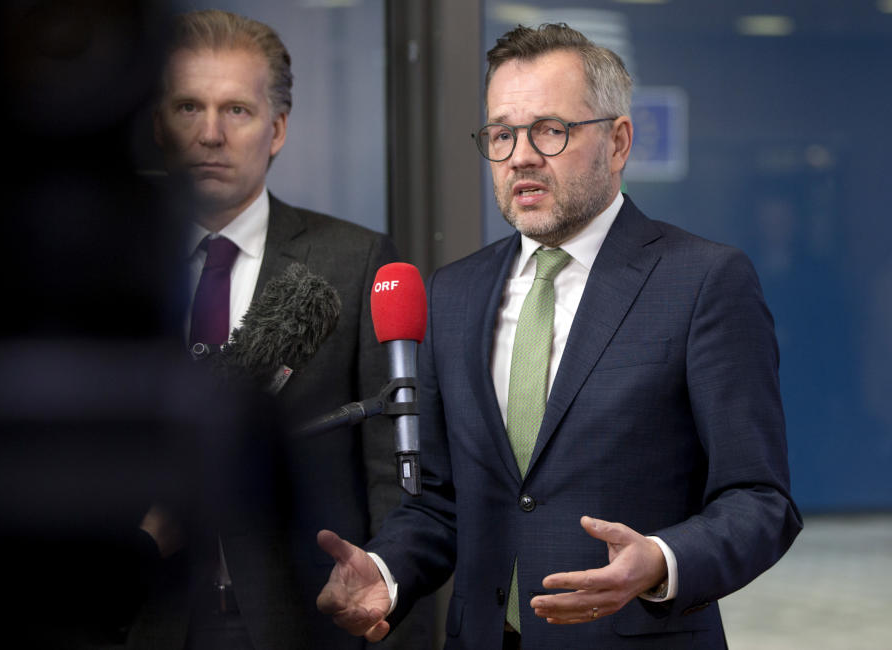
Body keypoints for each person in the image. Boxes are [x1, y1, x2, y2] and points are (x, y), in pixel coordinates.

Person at [316, 23, 803, 649]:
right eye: (501, 133)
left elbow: (760, 499)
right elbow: (440, 502)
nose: (520, 155)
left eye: (550, 129)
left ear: (619, 141)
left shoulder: (704, 280)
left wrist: (659, 559)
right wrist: (387, 571)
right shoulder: (452, 294)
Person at [133, 9, 409, 649]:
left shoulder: (357, 262)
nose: (209, 134)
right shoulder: (108, 271)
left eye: (236, 110)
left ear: (277, 127)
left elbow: (391, 484)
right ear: (157, 124)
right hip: (142, 621)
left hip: (300, 623)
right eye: (187, 108)